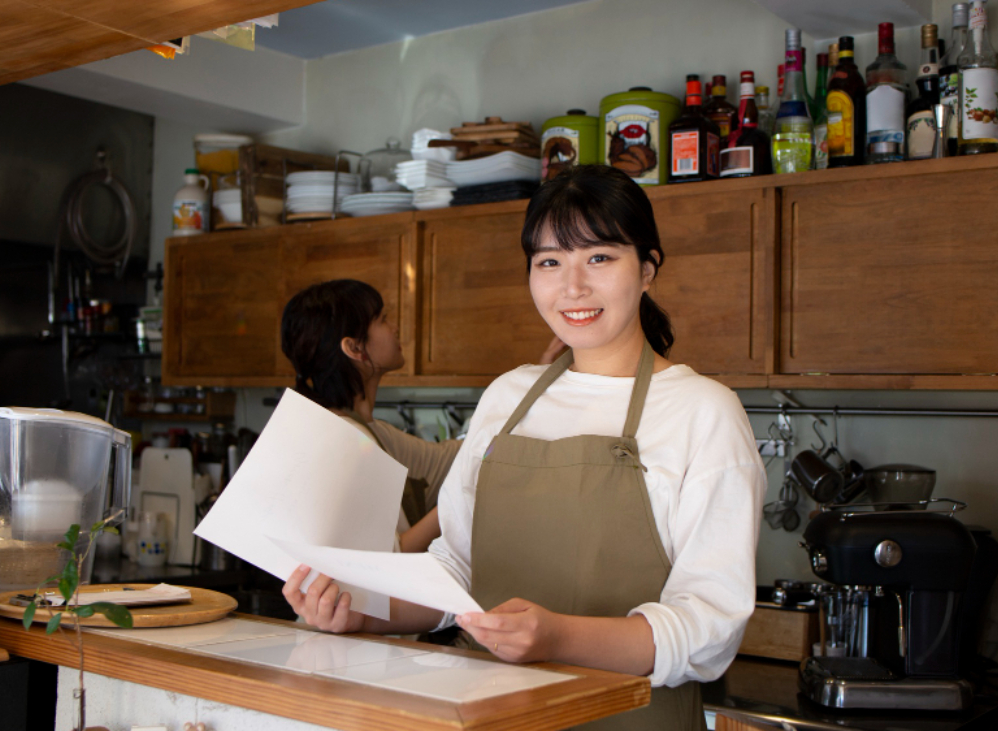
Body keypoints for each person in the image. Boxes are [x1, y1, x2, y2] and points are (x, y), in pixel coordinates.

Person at [284, 165, 766, 731]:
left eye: (601, 258)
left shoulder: (703, 412)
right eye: (549, 262)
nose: (573, 287)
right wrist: (358, 614)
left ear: (648, 269)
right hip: (486, 716)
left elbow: (709, 629)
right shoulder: (506, 398)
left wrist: (559, 637)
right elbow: (456, 573)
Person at [281, 279, 460, 552]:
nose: (395, 327)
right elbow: (387, 560)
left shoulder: (365, 431)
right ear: (354, 348)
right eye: (383, 319)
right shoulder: (345, 440)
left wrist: (531, 391)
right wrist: (460, 502)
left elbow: (448, 460)